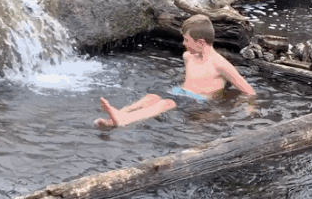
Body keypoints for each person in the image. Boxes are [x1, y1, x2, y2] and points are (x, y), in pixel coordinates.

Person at [94, 14, 256, 128]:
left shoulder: (220, 64)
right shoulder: (188, 57)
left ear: (200, 43)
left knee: (165, 103)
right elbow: (191, 79)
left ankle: (124, 120)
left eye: (186, 40)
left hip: (198, 100)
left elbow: (248, 91)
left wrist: (249, 108)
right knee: (151, 97)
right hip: (180, 93)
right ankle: (118, 114)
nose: (184, 44)